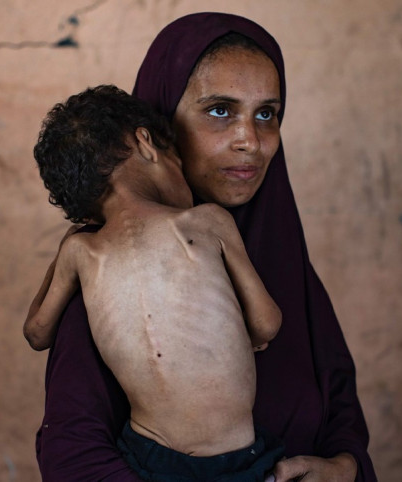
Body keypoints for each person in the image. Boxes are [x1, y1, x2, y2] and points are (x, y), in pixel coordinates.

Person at [35, 12, 378, 482]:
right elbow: (73, 454)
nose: (250, 142)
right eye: (220, 110)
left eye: (267, 114)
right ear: (156, 132)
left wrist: (345, 468)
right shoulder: (107, 270)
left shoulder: (283, 256)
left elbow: (340, 409)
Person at [25, 84, 285, 480]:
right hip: (235, 457)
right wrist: (244, 334)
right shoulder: (205, 221)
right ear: (146, 142)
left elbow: (37, 332)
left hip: (149, 458)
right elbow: (266, 322)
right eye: (178, 159)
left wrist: (69, 244)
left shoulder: (82, 252)